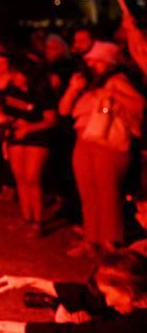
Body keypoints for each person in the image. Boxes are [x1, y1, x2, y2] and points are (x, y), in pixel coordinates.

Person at [0, 249, 147, 333]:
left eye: (107, 294)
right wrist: (29, 281)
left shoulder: (136, 328)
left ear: (128, 291)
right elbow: (87, 296)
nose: (106, 301)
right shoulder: (138, 297)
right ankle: (55, 304)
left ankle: (55, 306)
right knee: (69, 311)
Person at [59, 41, 145, 257]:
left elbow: (141, 105)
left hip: (109, 145)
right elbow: (63, 110)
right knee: (89, 196)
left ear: (108, 63)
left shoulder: (117, 81)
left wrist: (112, 95)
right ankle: (91, 241)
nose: (91, 64)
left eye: (96, 61)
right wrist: (72, 89)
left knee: (109, 196)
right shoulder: (86, 83)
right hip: (84, 142)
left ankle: (111, 245)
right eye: (89, 60)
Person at [0, 58, 59, 238]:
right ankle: (26, 217)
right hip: (16, 136)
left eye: (17, 73)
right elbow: (8, 110)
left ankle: (38, 222)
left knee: (32, 178)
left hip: (37, 138)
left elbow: (51, 120)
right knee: (20, 178)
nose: (14, 76)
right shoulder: (12, 90)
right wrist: (7, 119)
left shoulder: (41, 92)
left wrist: (29, 127)